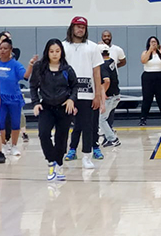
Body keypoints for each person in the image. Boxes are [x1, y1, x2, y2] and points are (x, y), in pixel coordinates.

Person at [30, 39, 77, 182]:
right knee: (43, 133)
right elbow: (33, 86)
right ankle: (51, 161)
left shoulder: (67, 69)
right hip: (46, 107)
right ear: (47, 52)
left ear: (61, 52)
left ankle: (59, 165)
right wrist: (36, 103)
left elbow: (75, 86)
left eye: (57, 51)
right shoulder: (39, 67)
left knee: (61, 138)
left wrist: (71, 99)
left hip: (64, 108)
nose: (54, 54)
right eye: (51, 51)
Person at [63, 16, 105, 169]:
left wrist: (98, 95)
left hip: (87, 93)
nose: (80, 29)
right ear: (72, 27)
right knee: (64, 125)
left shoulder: (92, 47)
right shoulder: (62, 46)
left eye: (83, 27)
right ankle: (65, 152)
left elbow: (97, 73)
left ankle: (87, 156)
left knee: (88, 126)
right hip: (67, 94)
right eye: (77, 26)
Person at [0, 38, 35, 157]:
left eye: (5, 48)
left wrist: (30, 65)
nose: (2, 51)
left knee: (16, 123)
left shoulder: (15, 64)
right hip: (0, 98)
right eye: (0, 48)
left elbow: (25, 76)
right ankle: (4, 145)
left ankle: (14, 146)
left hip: (14, 98)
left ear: (10, 50)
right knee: (0, 123)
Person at [139, 35, 161, 126]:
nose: (153, 43)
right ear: (148, 43)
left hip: (160, 76)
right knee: (147, 98)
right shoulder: (145, 52)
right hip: (148, 76)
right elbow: (143, 61)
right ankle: (143, 118)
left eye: (155, 42)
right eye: (151, 42)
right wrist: (150, 50)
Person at [98, 44, 121, 148]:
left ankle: (113, 139)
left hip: (109, 96)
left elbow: (107, 81)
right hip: (116, 94)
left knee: (101, 119)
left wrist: (103, 93)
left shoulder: (102, 65)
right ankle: (107, 137)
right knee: (106, 118)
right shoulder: (111, 60)